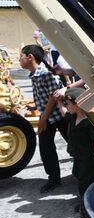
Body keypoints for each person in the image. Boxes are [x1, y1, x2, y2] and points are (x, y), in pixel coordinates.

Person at [19, 44, 68, 193]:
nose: (19, 60)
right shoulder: (35, 74)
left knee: (75, 145)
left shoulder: (45, 73)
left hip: (59, 115)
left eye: (21, 56)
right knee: (46, 148)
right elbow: (43, 96)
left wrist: (43, 119)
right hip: (47, 114)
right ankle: (54, 178)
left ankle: (90, 173)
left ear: (30, 57)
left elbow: (54, 96)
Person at [63, 87, 94, 199]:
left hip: (88, 157)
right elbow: (63, 112)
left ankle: (85, 202)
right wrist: (57, 100)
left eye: (67, 104)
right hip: (78, 155)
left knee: (85, 179)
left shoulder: (88, 122)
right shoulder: (73, 117)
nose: (66, 106)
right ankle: (85, 198)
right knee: (77, 174)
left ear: (77, 105)